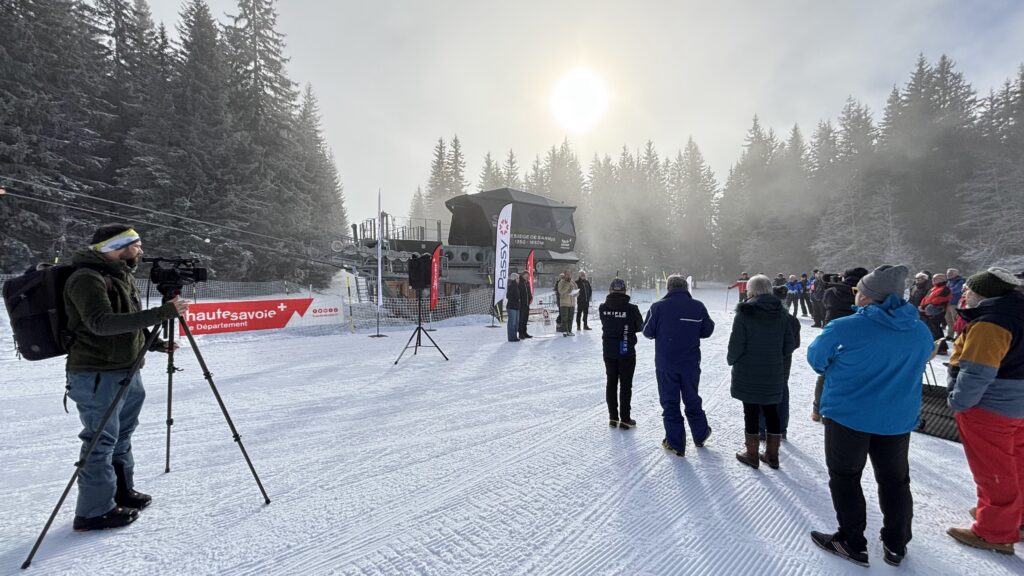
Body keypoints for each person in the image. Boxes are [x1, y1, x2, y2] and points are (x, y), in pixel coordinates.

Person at [64, 224, 189, 531]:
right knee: (100, 441)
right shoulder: (86, 278)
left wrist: (156, 343)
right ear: (116, 247)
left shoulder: (121, 275)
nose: (141, 250)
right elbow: (101, 323)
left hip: (128, 368)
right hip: (97, 373)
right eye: (136, 245)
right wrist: (162, 314)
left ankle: (120, 492)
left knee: (122, 436)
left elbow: (128, 320)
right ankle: (93, 512)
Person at [807, 265, 934, 567]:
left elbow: (816, 360)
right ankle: (896, 542)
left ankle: (852, 541)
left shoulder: (845, 327)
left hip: (848, 415)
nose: (856, 295)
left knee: (845, 477)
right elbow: (923, 357)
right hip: (896, 419)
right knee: (895, 481)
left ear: (868, 296)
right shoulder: (918, 329)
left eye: (859, 291)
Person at [946, 267, 1024, 555]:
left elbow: (978, 372)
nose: (964, 294)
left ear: (983, 294)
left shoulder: (992, 323)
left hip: (991, 406)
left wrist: (959, 401)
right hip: (1017, 404)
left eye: (969, 290)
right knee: (1015, 461)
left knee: (993, 469)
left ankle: (996, 532)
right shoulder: (1016, 313)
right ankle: (1015, 517)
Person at [729, 276, 797, 469]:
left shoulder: (744, 312)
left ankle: (751, 454)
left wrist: (731, 359)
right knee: (772, 411)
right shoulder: (781, 313)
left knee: (750, 411)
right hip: (773, 371)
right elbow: (789, 344)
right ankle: (772, 456)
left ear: (750, 290)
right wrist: (775, 357)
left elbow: (736, 344)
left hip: (747, 371)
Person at [643, 275, 715, 456]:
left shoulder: (657, 307)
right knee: (691, 397)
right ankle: (700, 433)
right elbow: (707, 330)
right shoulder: (698, 306)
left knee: (670, 401)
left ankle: (676, 442)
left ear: (668, 288)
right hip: (690, 362)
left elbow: (647, 331)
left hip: (666, 363)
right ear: (686, 288)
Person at [812, 267, 869, 421]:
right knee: (851, 373)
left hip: (832, 331)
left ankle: (817, 409)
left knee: (825, 374)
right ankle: (840, 411)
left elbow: (822, 302)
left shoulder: (832, 292)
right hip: (856, 335)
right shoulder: (864, 295)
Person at [599, 278, 644, 429]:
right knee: (625, 384)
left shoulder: (603, 307)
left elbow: (605, 322)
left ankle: (613, 417)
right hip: (625, 349)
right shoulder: (632, 309)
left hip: (609, 350)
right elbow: (640, 327)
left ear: (610, 290)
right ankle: (625, 418)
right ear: (625, 290)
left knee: (611, 382)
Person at [920, 272, 952, 355]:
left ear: (942, 280)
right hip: (928, 310)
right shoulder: (933, 288)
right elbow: (926, 298)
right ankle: (933, 346)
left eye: (936, 279)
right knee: (930, 328)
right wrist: (922, 305)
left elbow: (939, 299)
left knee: (936, 329)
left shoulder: (945, 288)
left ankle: (942, 348)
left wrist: (926, 305)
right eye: (933, 278)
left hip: (937, 311)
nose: (933, 280)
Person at [944, 268, 965, 340]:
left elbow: (955, 290)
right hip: (948, 303)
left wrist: (946, 291)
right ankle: (950, 334)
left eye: (950, 273)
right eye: (947, 273)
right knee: (948, 319)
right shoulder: (948, 282)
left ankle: (958, 335)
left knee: (956, 320)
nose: (948, 275)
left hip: (955, 303)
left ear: (956, 274)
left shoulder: (960, 281)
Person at [557, 271, 576, 336]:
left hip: (572, 303)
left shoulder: (573, 282)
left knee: (570, 318)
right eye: (567, 275)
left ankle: (569, 331)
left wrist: (576, 293)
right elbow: (561, 291)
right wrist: (567, 284)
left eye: (569, 275)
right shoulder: (561, 282)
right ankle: (565, 331)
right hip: (564, 303)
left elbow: (577, 291)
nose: (568, 276)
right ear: (564, 275)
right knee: (564, 318)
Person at [505, 271, 521, 342]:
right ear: (515, 279)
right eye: (518, 278)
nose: (519, 280)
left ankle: (514, 336)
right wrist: (517, 300)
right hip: (512, 307)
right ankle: (511, 337)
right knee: (512, 322)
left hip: (516, 306)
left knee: (516, 323)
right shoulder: (511, 286)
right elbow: (508, 296)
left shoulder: (517, 286)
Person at [518, 270, 533, 339]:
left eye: (528, 276)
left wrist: (530, 297)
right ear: (523, 275)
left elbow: (529, 292)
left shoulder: (527, 282)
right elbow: (518, 293)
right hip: (521, 304)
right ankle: (520, 333)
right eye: (526, 276)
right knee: (521, 319)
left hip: (527, 304)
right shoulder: (520, 282)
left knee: (525, 319)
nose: (527, 277)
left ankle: (525, 332)